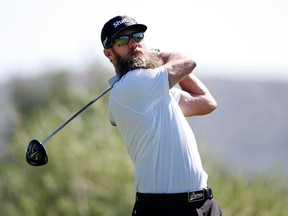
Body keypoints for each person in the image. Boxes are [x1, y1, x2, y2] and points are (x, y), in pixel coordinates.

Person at [101, 15, 222, 216]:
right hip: (165, 208)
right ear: (109, 53)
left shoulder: (151, 89)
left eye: (138, 37)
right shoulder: (133, 84)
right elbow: (187, 62)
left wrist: (149, 60)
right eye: (123, 40)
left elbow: (207, 102)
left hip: (204, 204)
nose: (134, 44)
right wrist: (156, 55)